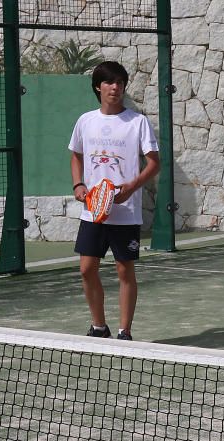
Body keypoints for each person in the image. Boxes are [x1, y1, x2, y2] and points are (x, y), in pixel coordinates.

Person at [69, 61, 160, 341]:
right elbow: (76, 155)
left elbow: (154, 163)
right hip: (93, 211)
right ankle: (99, 326)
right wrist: (79, 184)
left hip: (125, 212)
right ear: (98, 86)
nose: (115, 87)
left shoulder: (138, 122)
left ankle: (125, 331)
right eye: (109, 82)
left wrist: (132, 187)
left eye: (120, 82)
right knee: (87, 269)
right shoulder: (86, 121)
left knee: (124, 269)